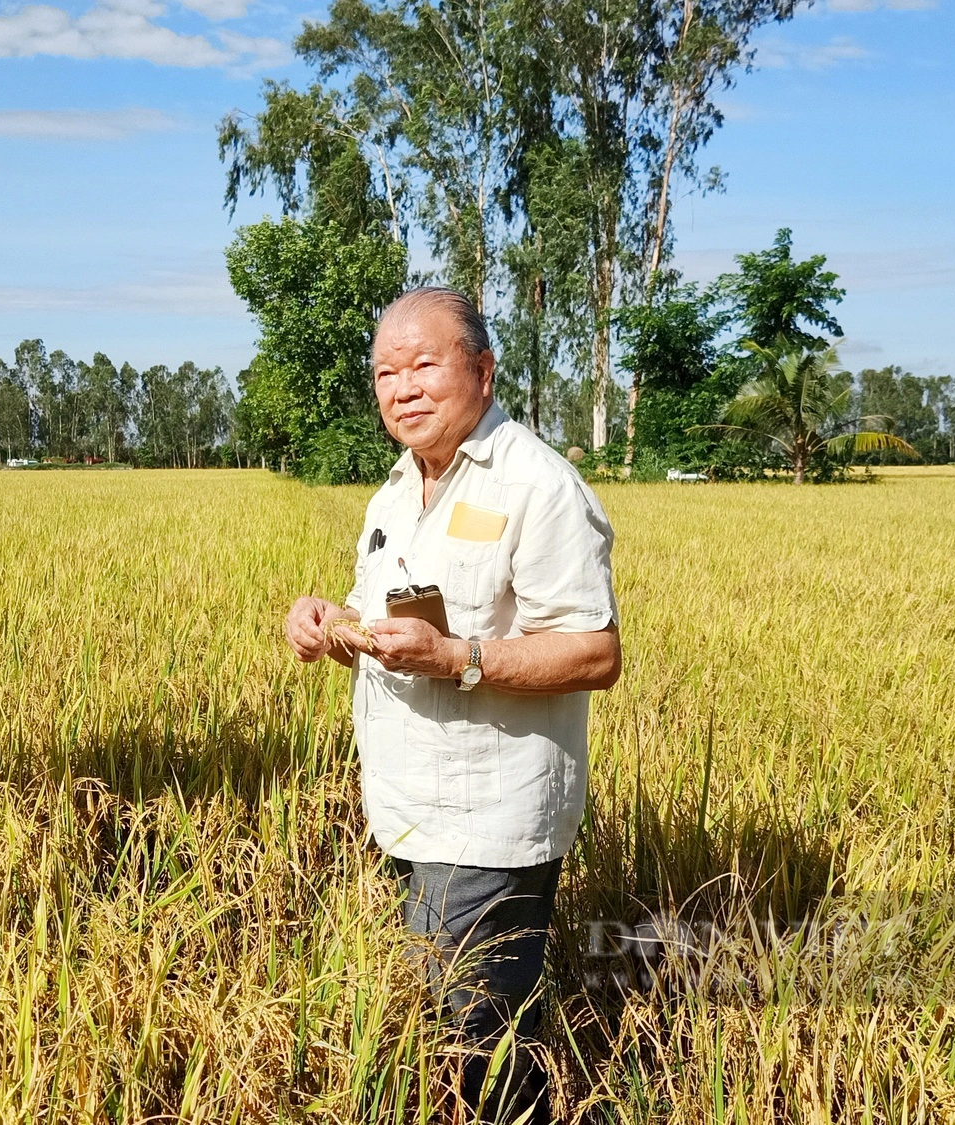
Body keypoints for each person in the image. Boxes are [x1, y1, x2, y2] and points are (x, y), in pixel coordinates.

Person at [283, 286, 621, 1121]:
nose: (403, 388)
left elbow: (595, 651)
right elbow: (396, 634)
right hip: (408, 812)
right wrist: (333, 629)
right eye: (385, 372)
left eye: (423, 364)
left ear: (482, 368)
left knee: (472, 1047)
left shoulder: (537, 485)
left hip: (488, 822)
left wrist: (457, 657)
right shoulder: (396, 494)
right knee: (455, 1032)